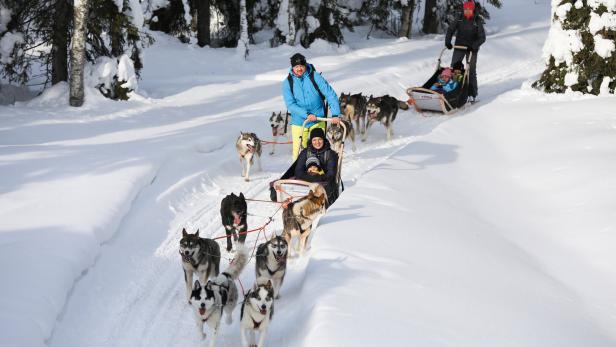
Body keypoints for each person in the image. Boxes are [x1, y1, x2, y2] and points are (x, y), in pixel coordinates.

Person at [283, 53, 341, 160]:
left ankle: (320, 172)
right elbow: (290, 104)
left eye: (301, 66)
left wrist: (336, 114)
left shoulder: (315, 76)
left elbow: (330, 94)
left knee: (319, 147)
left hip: (318, 119)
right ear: (292, 67)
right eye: (296, 67)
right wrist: (306, 114)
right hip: (299, 121)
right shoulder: (288, 82)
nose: (299, 69)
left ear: (305, 65)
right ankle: (298, 173)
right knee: (298, 151)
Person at [445, 0, 485, 102]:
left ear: (472, 10)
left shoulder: (477, 20)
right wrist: (448, 42)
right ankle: (452, 92)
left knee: (470, 70)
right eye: (465, 9)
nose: (467, 11)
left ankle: (472, 94)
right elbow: (450, 29)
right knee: (454, 68)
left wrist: (474, 46)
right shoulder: (459, 18)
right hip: (459, 46)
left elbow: (482, 37)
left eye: (469, 9)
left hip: (471, 49)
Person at [294, 128, 339, 205]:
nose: (317, 142)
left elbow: (331, 174)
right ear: (311, 140)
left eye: (320, 139)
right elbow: (298, 171)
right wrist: (310, 177)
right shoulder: (305, 152)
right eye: (314, 140)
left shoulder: (331, 154)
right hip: (306, 181)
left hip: (323, 182)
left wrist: (318, 177)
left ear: (323, 140)